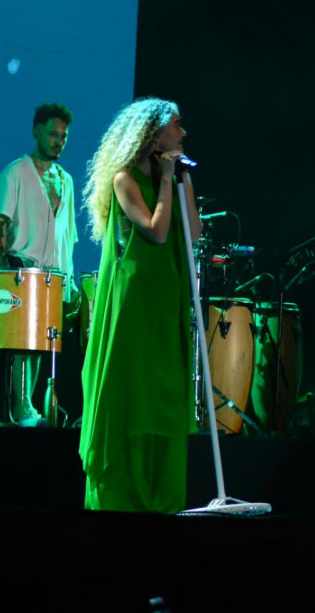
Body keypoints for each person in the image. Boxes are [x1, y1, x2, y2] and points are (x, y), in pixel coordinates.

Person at [78, 98, 201, 512]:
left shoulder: (177, 177)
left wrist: (182, 182)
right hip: (135, 299)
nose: (182, 133)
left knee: (162, 388)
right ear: (152, 133)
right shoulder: (123, 178)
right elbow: (157, 232)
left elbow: (193, 234)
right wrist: (167, 178)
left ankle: (161, 495)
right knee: (135, 390)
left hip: (167, 292)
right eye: (176, 125)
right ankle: (125, 498)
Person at [0, 102, 79, 425]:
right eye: (53, 134)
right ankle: (21, 405)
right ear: (36, 131)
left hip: (54, 275)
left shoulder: (65, 180)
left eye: (63, 137)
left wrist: (70, 280)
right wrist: (2, 271)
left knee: (43, 341)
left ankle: (31, 405)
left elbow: (67, 235)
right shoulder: (16, 172)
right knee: (22, 341)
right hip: (21, 268)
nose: (58, 141)